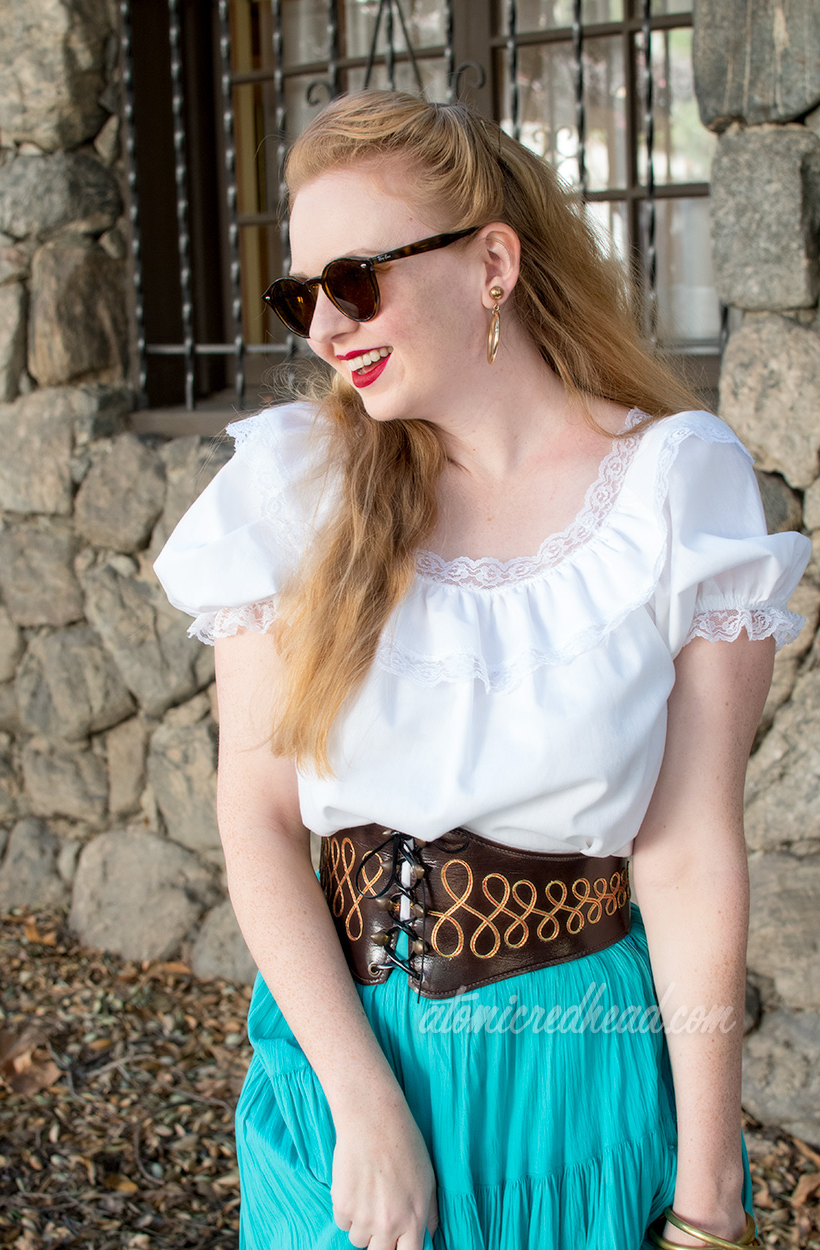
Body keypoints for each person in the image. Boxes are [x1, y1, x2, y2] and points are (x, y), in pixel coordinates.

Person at [153, 90, 811, 1250]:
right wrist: (362, 1103)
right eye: (300, 295)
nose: (324, 327)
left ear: (491, 264)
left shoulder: (675, 487)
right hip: (335, 1075)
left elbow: (687, 851)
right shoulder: (290, 486)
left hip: (572, 1071)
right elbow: (255, 816)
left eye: (355, 280)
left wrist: (709, 1195)